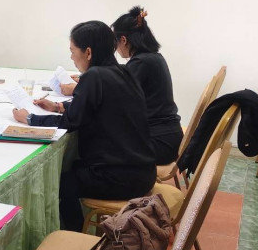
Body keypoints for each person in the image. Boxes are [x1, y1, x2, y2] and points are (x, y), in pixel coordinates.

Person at [12, 21, 156, 231]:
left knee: (60, 184)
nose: (71, 57)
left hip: (121, 178)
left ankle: (76, 235)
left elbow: (70, 122)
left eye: (73, 51)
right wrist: (59, 106)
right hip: (143, 171)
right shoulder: (123, 73)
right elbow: (95, 107)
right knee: (75, 168)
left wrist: (30, 119)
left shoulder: (94, 76)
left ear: (88, 52)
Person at [111, 6, 183, 165]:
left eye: (115, 42)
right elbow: (123, 77)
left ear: (123, 40)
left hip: (159, 142)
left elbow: (116, 95)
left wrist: (80, 88)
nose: (116, 48)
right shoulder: (152, 57)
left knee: (101, 147)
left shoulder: (141, 62)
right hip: (168, 136)